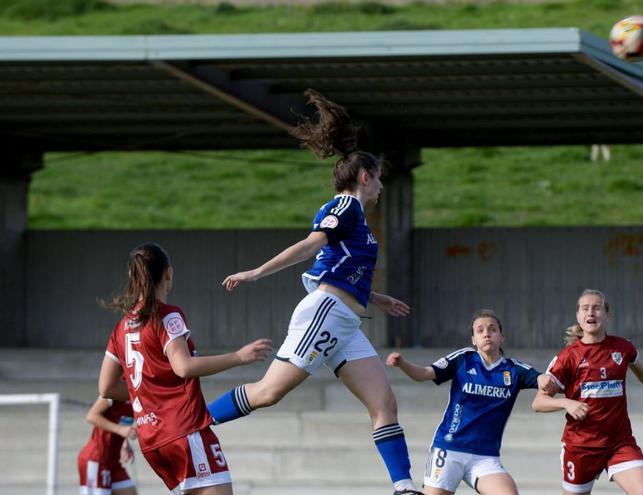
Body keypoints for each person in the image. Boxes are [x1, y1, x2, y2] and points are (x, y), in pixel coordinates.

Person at [206, 89, 422, 495]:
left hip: (346, 320)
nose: (380, 187)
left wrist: (374, 297)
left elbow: (336, 265)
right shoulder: (345, 208)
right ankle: (191, 421)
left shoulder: (353, 214)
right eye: (378, 179)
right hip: (326, 314)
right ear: (365, 176)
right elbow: (310, 246)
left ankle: (405, 487)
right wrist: (257, 272)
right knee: (268, 393)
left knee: (384, 404)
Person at [98, 242, 272, 495]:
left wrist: (149, 394)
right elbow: (184, 367)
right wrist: (238, 356)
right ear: (168, 272)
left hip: (152, 441)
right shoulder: (167, 315)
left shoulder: (121, 328)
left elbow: (106, 388)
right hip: (183, 431)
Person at [532, 289, 643, 495]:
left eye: (597, 308)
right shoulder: (568, 357)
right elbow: (538, 402)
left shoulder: (623, 347)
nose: (591, 313)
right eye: (585, 308)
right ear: (578, 316)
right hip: (581, 447)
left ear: (607, 315)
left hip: (619, 442)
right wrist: (566, 403)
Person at [386, 309, 548, 495]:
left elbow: (543, 380)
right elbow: (424, 373)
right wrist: (402, 364)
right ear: (473, 339)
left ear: (502, 336)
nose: (486, 333)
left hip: (485, 457)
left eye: (492, 329)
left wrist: (544, 379)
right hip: (449, 449)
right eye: (480, 330)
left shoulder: (514, 369)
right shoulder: (464, 358)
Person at [77, 396, 137, 495]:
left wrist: (125, 442)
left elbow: (120, 420)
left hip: (113, 462)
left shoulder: (135, 393)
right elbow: (91, 416)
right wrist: (120, 430)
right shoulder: (113, 390)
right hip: (96, 460)